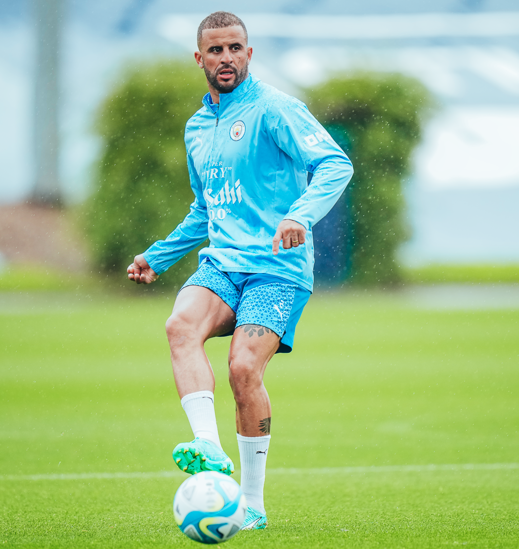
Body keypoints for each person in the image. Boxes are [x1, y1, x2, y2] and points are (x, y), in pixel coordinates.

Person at [126, 11, 353, 531]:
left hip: (277, 270)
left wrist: (300, 214)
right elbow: (205, 210)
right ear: (200, 58)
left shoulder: (276, 109)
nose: (225, 58)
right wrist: (156, 257)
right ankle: (208, 445)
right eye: (216, 50)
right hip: (223, 264)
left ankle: (252, 505)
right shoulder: (197, 128)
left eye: (235, 49)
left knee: (243, 370)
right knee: (179, 325)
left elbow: (336, 164)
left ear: (248, 54)